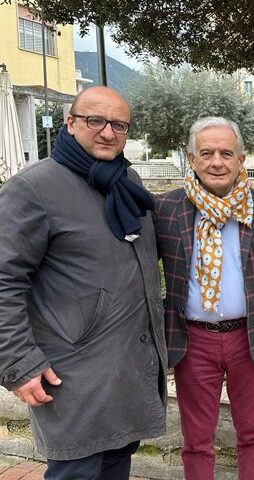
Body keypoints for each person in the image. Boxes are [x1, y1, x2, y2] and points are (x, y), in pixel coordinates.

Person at [0, 86, 166, 479]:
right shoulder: (33, 188)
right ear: (71, 123)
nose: (108, 132)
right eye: (96, 121)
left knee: (114, 466)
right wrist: (19, 364)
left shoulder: (126, 180)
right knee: (76, 470)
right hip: (72, 374)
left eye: (119, 125)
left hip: (127, 366)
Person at [154, 116, 254, 479]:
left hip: (251, 337)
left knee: (252, 433)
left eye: (226, 153)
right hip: (192, 340)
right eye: (207, 153)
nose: (217, 161)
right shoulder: (167, 209)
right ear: (192, 158)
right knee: (197, 439)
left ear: (241, 159)